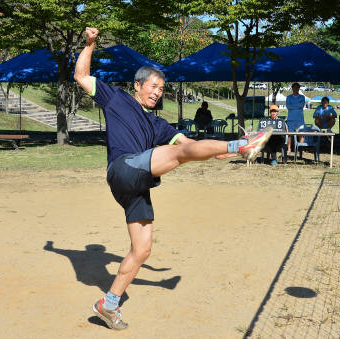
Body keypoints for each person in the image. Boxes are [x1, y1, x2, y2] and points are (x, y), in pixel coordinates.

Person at [74, 27, 272, 331]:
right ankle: (242, 145)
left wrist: (217, 153)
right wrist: (90, 44)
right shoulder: (116, 98)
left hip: (137, 185)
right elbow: (81, 76)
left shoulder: (160, 125)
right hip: (123, 167)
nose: (157, 92)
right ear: (137, 86)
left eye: (162, 89)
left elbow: (187, 146)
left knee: (142, 249)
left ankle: (108, 304)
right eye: (153, 86)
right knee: (178, 156)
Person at [286, 82, 306, 148]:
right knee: (289, 134)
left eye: (297, 87)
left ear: (299, 88)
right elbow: (288, 106)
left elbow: (302, 105)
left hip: (300, 119)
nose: (296, 89)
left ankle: (300, 149)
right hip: (291, 119)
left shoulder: (302, 97)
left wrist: (293, 105)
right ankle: (289, 149)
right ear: (292, 88)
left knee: (301, 134)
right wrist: (297, 105)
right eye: (294, 88)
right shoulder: (288, 97)